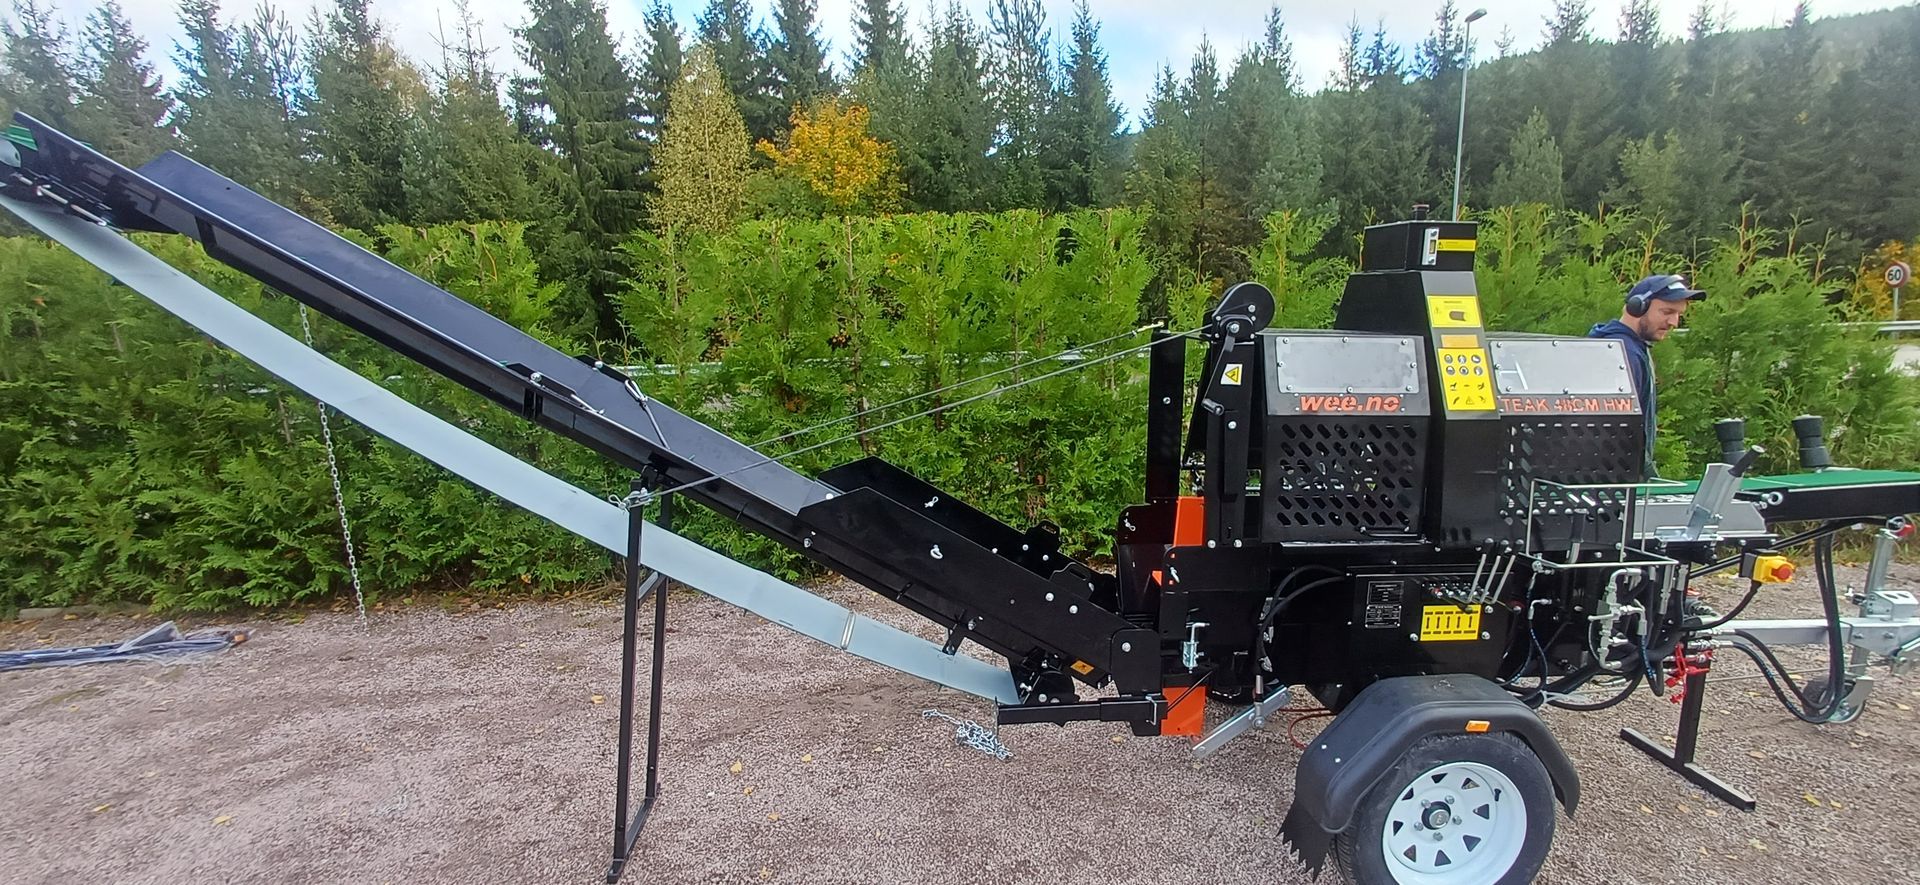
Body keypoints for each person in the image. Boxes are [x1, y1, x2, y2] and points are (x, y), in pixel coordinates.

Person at [1588, 274, 1707, 477]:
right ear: (1637, 307)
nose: (1674, 323)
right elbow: (1618, 435)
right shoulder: (1621, 354)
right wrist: (1648, 480)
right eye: (1667, 312)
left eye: (1679, 314)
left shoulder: (1628, 347)